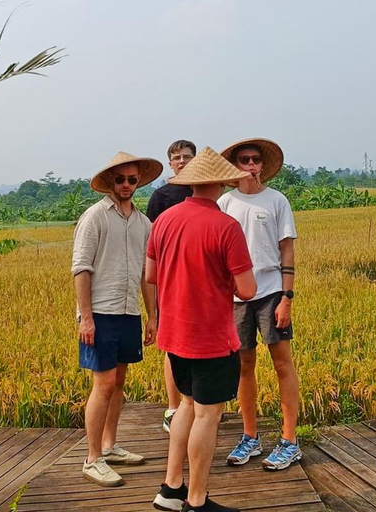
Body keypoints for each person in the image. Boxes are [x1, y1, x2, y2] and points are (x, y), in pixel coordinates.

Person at [147, 147, 256, 512]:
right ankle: (197, 500)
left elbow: (150, 276)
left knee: (186, 407)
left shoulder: (163, 220)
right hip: (211, 335)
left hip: (174, 334)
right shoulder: (227, 226)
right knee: (208, 415)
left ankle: (171, 488)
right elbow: (248, 290)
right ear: (222, 181)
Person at [72, 151, 161, 487]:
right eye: (120, 179)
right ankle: (92, 458)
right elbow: (81, 268)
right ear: (110, 181)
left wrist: (152, 316)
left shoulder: (143, 223)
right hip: (101, 311)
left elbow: (145, 274)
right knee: (103, 383)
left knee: (119, 382)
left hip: (128, 312)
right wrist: (86, 318)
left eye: (132, 180)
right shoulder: (94, 217)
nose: (126, 185)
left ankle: (109, 445)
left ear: (139, 182)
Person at [218, 138, 302, 471]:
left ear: (263, 166)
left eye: (255, 160)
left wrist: (287, 297)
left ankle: (289, 440)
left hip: (270, 293)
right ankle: (250, 436)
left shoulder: (277, 201)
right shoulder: (224, 203)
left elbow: (287, 252)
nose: (250, 165)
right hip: (236, 297)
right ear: (234, 166)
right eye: (243, 160)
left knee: (282, 363)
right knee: (243, 366)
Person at [146, 139, 196, 434]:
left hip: (203, 283)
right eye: (177, 157)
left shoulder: (204, 190)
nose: (182, 161)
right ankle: (173, 407)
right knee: (172, 344)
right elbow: (152, 246)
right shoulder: (161, 198)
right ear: (170, 163)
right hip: (170, 281)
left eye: (187, 156)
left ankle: (200, 405)